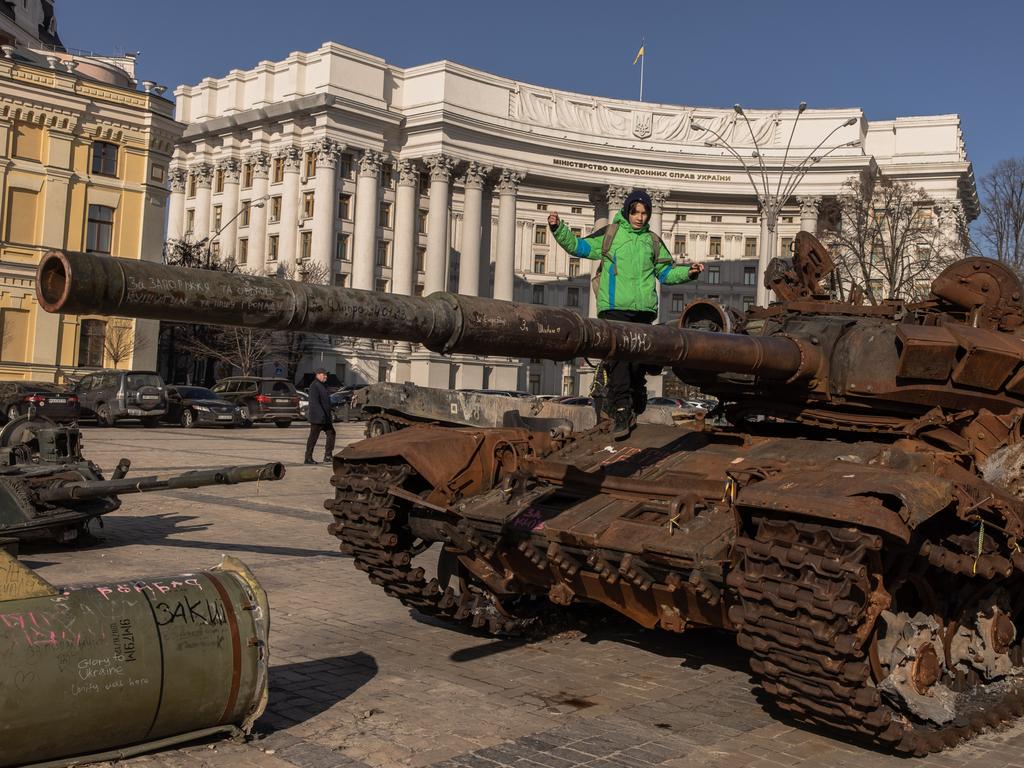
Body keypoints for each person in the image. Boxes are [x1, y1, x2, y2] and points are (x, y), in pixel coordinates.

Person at [548, 189, 704, 437]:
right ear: (627, 211)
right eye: (635, 212)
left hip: (643, 312)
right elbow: (580, 247)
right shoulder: (611, 234)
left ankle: (636, 391)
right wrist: (559, 229)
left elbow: (665, 273)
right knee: (619, 361)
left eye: (644, 213)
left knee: (634, 363)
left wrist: (689, 273)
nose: (640, 217)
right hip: (614, 309)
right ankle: (621, 410)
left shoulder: (652, 241)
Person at [304, 369, 335, 464]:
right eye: (324, 375)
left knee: (331, 433)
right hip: (318, 418)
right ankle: (308, 458)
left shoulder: (323, 385)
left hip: (325, 418)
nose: (326, 376)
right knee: (313, 438)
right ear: (318, 375)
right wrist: (320, 415)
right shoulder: (314, 385)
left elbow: (326, 402)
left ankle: (328, 455)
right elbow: (314, 402)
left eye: (326, 375)